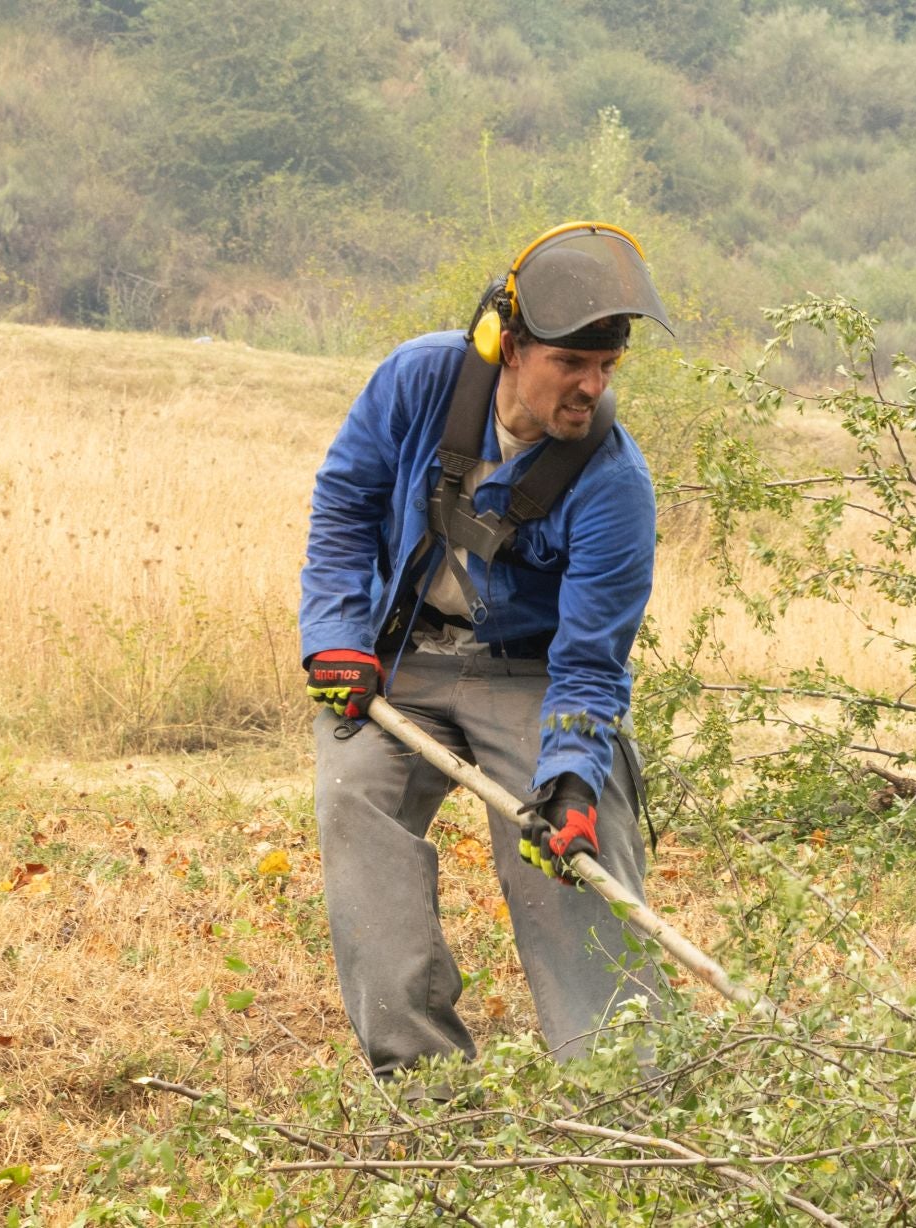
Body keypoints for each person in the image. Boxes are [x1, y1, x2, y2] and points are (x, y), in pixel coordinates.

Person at [298, 222, 671, 1093]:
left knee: (571, 850)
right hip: (403, 657)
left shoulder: (615, 483)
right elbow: (345, 505)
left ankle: (627, 1090)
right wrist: (337, 637)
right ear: (507, 345)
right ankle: (422, 1082)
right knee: (354, 801)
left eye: (608, 366)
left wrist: (573, 779)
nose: (592, 384)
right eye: (572, 362)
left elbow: (591, 659)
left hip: (532, 677)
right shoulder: (416, 379)